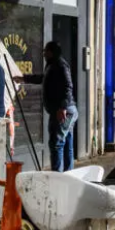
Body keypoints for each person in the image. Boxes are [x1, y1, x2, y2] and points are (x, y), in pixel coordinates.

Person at [43, 41, 78, 172]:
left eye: (45, 51)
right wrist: (24, 78)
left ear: (51, 52)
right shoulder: (52, 65)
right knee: (67, 142)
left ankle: (57, 177)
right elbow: (44, 79)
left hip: (63, 110)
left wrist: (62, 107)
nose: (44, 54)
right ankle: (69, 175)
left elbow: (68, 86)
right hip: (65, 109)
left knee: (57, 144)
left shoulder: (60, 65)